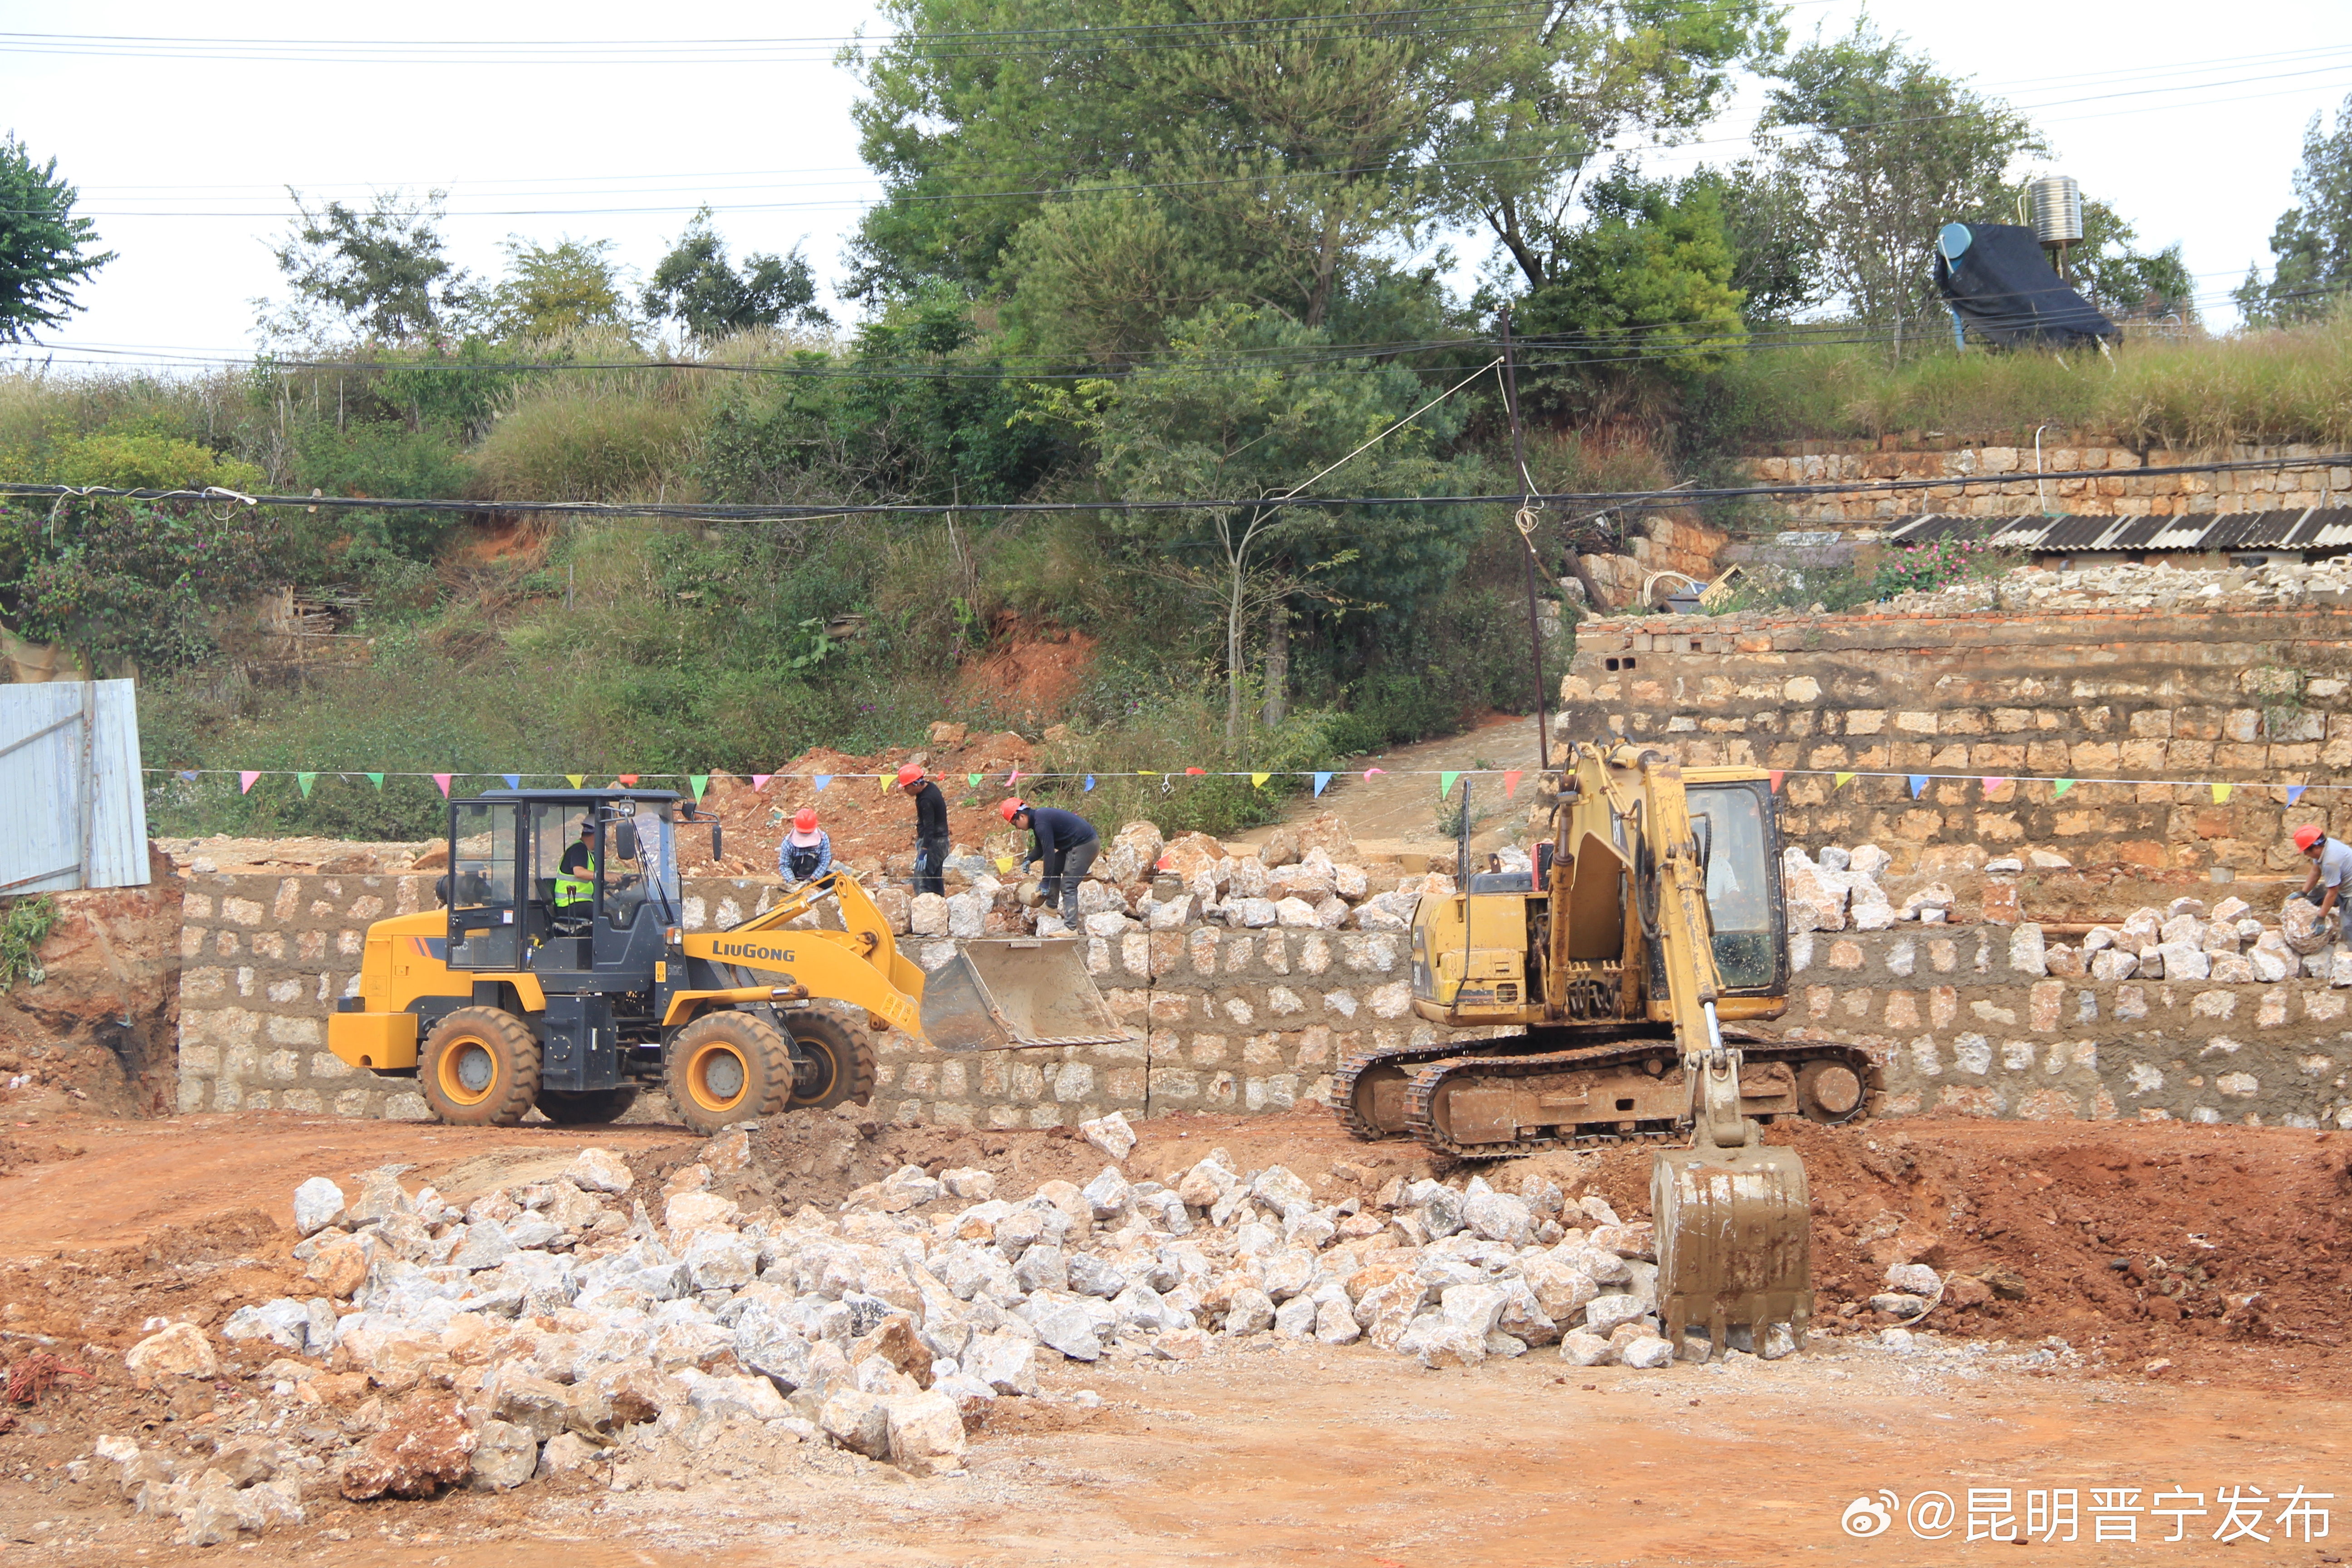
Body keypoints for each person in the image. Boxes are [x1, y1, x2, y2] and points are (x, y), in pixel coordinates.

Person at [1002, 798, 1098, 921]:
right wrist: (1029, 859)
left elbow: (1049, 853)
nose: (1016, 828)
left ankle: (1071, 929)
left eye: (1014, 823)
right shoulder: (1038, 820)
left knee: (1069, 885)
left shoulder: (1041, 823)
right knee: (1054, 868)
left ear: (1022, 817)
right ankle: (1051, 906)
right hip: (1076, 845)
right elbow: (1040, 848)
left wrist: (1046, 882)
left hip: (1086, 845)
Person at [2294, 823, 2352, 941]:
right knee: (2314, 895)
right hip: (2342, 886)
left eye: (2306, 851)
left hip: (2349, 894)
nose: (2305, 854)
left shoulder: (2330, 862)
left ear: (2315, 848)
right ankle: (2293, 917)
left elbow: (2333, 893)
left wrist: (2321, 917)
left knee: (2347, 927)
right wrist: (2303, 893)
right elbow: (2316, 871)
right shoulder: (2325, 845)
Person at [900, 764, 950, 897]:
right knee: (935, 879)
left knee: (921, 880)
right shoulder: (931, 788)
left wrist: (924, 850)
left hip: (934, 842)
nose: (905, 790)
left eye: (907, 787)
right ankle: (940, 904)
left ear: (916, 784)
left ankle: (927, 909)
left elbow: (930, 827)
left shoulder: (926, 800)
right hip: (942, 842)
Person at [553, 819, 596, 926]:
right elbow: (579, 872)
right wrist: (604, 876)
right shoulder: (579, 849)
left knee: (607, 907)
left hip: (577, 903)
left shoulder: (587, 852)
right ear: (597, 835)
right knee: (605, 911)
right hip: (570, 904)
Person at [778, 807, 833, 888]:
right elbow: (784, 865)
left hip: (816, 872)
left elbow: (824, 862)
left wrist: (812, 879)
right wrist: (792, 881)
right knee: (806, 861)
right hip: (796, 873)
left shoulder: (823, 839)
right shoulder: (788, 843)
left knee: (837, 882)